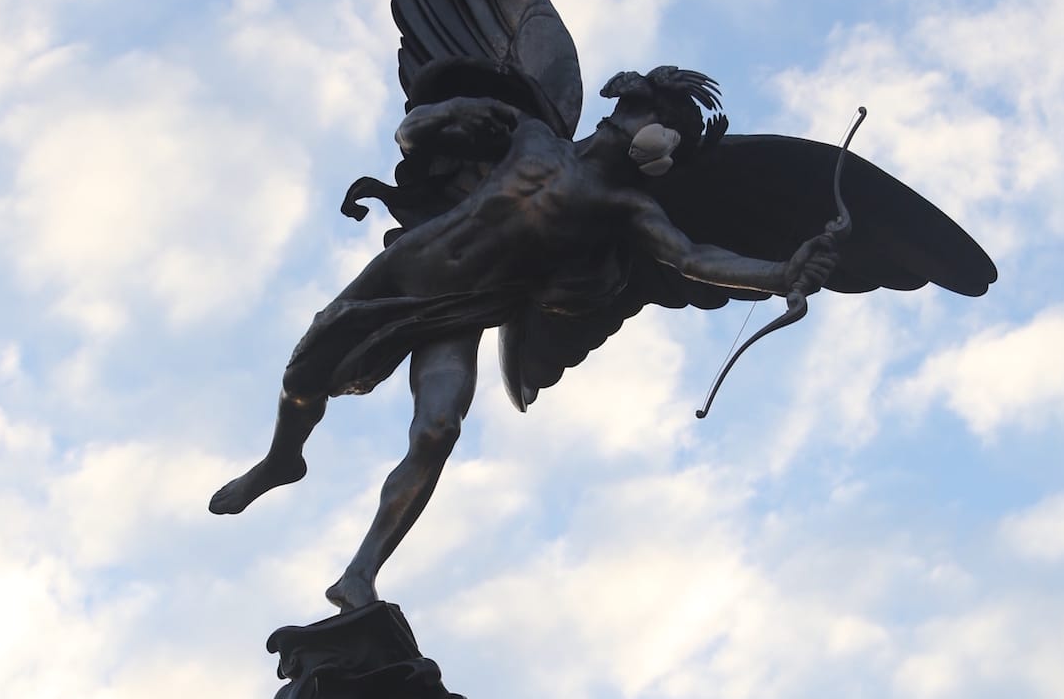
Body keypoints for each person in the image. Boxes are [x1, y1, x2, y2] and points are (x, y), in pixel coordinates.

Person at [209, 74, 839, 610]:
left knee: (437, 430)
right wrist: (436, 117)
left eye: (672, 130)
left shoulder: (621, 206)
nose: (663, 136)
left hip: (460, 312)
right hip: (403, 271)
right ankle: (281, 459)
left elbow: (692, 256)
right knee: (302, 376)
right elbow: (416, 133)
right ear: (628, 110)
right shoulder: (530, 133)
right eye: (661, 119)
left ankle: (360, 571)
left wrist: (781, 272)